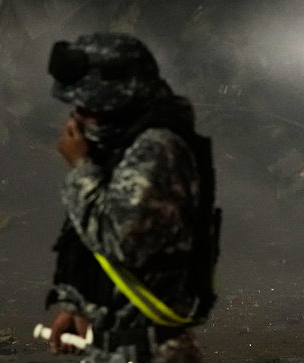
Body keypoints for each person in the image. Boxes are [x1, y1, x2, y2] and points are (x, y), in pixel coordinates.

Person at [44, 32, 219, 363]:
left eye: (88, 107)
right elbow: (91, 241)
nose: (78, 120)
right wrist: (79, 303)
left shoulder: (156, 148)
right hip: (113, 344)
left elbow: (120, 241)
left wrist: (81, 168)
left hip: (149, 350)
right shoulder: (125, 145)